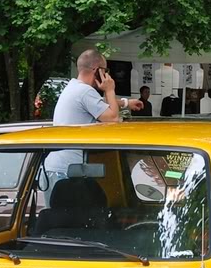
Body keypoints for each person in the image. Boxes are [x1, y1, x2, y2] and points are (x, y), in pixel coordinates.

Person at [45, 49, 143, 179]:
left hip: (57, 167)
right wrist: (110, 89)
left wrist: (126, 103)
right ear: (97, 70)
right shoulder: (85, 91)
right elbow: (113, 119)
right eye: (105, 71)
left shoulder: (74, 87)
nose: (107, 75)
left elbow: (99, 104)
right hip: (69, 170)